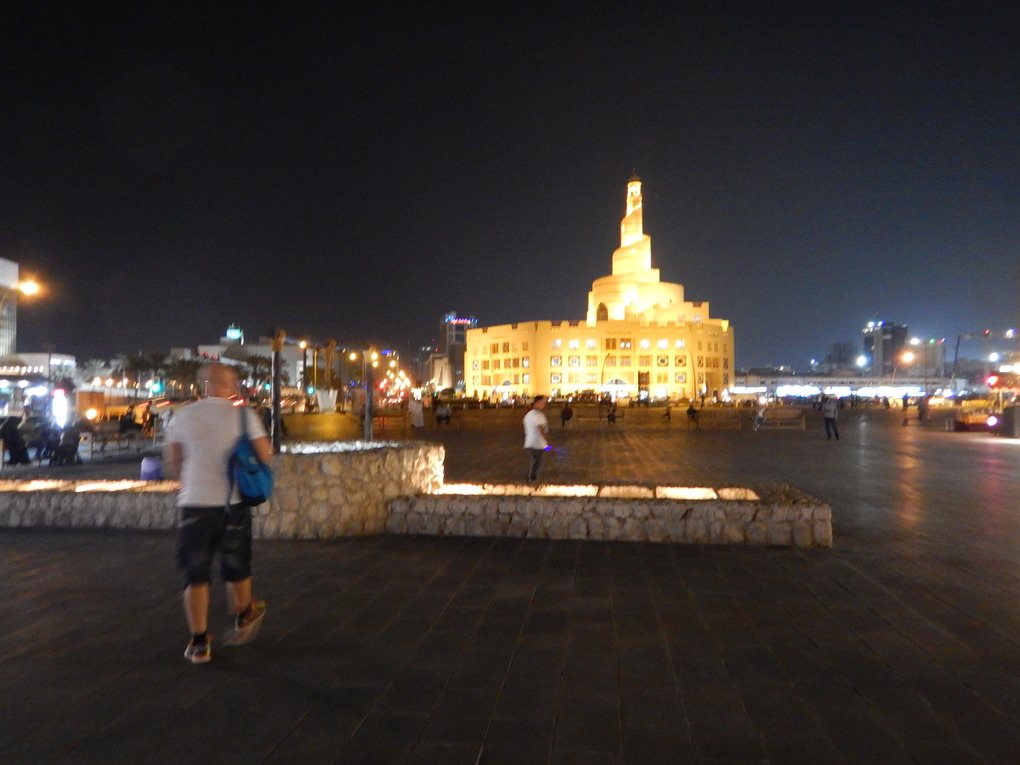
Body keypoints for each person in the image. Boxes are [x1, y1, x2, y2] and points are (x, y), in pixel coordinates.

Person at [164, 362, 273, 665]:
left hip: (194, 504)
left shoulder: (183, 415)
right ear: (230, 385)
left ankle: (199, 643)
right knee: (237, 565)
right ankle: (244, 612)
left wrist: (192, 477)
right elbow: (266, 455)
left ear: (203, 385)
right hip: (232, 504)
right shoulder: (243, 415)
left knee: (195, 574)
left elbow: (175, 460)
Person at [523, 395, 550, 482]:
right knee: (537, 461)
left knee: (535, 460)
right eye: (543, 403)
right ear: (537, 403)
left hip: (531, 443)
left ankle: (530, 478)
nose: (545, 405)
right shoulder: (538, 415)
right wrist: (549, 442)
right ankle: (532, 479)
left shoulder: (528, 415)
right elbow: (541, 430)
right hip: (538, 444)